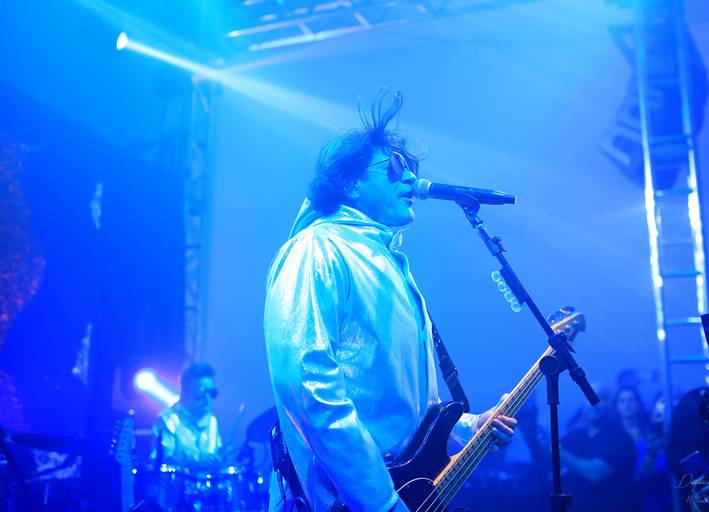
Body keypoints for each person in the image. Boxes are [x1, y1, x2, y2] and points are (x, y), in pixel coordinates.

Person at [263, 90, 516, 512]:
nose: (411, 180)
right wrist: (380, 501)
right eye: (394, 168)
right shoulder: (317, 249)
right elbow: (307, 386)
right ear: (350, 183)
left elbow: (404, 412)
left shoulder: (391, 264)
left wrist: (468, 428)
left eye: (411, 169)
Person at [560, 386, 637, 512]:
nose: (594, 402)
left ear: (611, 404)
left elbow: (595, 473)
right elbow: (546, 460)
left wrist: (555, 450)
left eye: (602, 398)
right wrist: (532, 436)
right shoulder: (575, 435)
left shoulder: (621, 438)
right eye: (588, 396)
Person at [152, 362, 223, 472]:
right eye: (201, 394)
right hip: (177, 483)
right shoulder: (167, 420)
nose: (208, 399)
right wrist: (196, 463)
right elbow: (163, 464)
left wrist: (222, 459)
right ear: (184, 393)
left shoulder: (212, 421)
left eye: (212, 393)